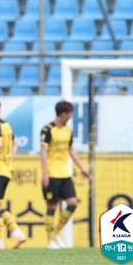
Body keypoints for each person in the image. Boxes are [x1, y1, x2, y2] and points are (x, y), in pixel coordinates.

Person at [41, 100, 91, 249]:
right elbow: (43, 152)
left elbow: (71, 150)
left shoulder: (68, 130)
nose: (70, 116)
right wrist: (45, 174)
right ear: (63, 114)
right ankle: (50, 241)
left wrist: (82, 168)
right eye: (69, 113)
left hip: (64, 174)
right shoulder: (48, 129)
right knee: (52, 206)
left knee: (72, 203)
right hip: (51, 174)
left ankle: (56, 232)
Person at [0, 97, 26, 250]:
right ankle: (17, 234)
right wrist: (9, 161)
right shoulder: (7, 125)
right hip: (6, 170)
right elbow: (15, 144)